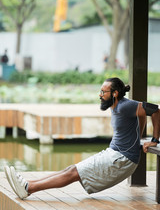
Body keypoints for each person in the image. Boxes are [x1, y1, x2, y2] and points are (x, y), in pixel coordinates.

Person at [4, 77, 160, 200]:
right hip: (114, 154)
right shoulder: (118, 107)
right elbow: (142, 114)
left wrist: (154, 139)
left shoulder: (125, 106)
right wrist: (138, 137)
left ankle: (27, 188)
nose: (100, 95)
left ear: (115, 94)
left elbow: (156, 111)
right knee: (71, 169)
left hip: (121, 159)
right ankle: (28, 184)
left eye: (103, 92)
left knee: (73, 173)